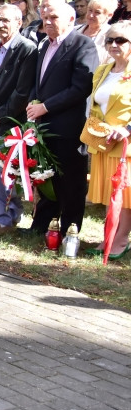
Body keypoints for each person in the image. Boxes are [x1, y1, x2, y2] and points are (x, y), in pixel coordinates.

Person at [26, 0, 98, 236]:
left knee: (70, 182)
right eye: (45, 17)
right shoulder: (45, 45)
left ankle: (69, 231)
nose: (48, 22)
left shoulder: (82, 45)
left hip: (69, 127)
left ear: (70, 19)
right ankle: (41, 226)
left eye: (54, 17)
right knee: (46, 178)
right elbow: (40, 82)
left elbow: (80, 88)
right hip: (44, 124)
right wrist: (34, 103)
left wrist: (45, 107)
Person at [0, 4, 38, 235]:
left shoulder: (27, 49)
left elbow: (22, 91)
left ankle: (3, 219)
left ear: (19, 23)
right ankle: (8, 216)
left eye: (6, 20)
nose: (1, 24)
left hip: (15, 123)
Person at [85, 20, 131, 259]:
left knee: (124, 196)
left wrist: (128, 128)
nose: (113, 44)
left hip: (125, 145)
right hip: (103, 141)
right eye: (110, 40)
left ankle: (120, 240)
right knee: (108, 195)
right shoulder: (103, 70)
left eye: (120, 40)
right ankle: (108, 236)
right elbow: (95, 104)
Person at [78, 0, 119, 64]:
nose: (91, 15)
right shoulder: (75, 31)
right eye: (90, 10)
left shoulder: (112, 37)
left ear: (109, 15)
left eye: (97, 12)